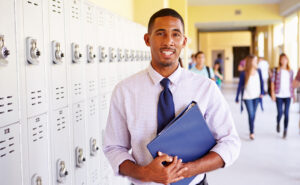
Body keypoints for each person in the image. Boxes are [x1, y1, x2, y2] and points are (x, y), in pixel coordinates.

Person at [103, 8, 240, 185]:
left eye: (176, 35)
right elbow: (114, 147)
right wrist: (145, 173)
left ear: (184, 41)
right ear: (147, 39)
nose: (168, 41)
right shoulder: (125, 91)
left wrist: (187, 170)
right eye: (160, 33)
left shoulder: (206, 88)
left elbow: (230, 142)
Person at [235, 55, 264, 140]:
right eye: (255, 61)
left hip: (257, 97)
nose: (256, 62)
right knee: (251, 114)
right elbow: (240, 86)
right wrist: (237, 97)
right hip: (247, 97)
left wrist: (262, 92)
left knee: (253, 114)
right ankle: (252, 132)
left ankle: (251, 128)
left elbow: (261, 83)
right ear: (250, 62)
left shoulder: (259, 71)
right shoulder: (244, 73)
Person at [271, 53, 295, 139]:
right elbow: (272, 82)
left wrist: (294, 95)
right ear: (280, 61)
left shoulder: (290, 71)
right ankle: (278, 123)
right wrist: (273, 94)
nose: (283, 61)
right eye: (282, 59)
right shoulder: (276, 70)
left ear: (287, 60)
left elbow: (292, 84)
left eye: (285, 59)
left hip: (288, 95)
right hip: (279, 95)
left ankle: (285, 130)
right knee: (280, 113)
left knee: (287, 113)